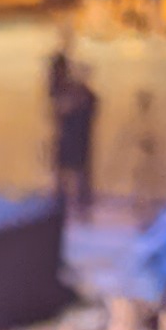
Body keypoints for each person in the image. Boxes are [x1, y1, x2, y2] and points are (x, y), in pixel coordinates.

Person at [50, 60, 100, 220]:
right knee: (65, 175)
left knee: (79, 176)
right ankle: (60, 206)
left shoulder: (87, 97)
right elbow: (58, 113)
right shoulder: (72, 95)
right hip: (69, 141)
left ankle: (81, 208)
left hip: (79, 142)